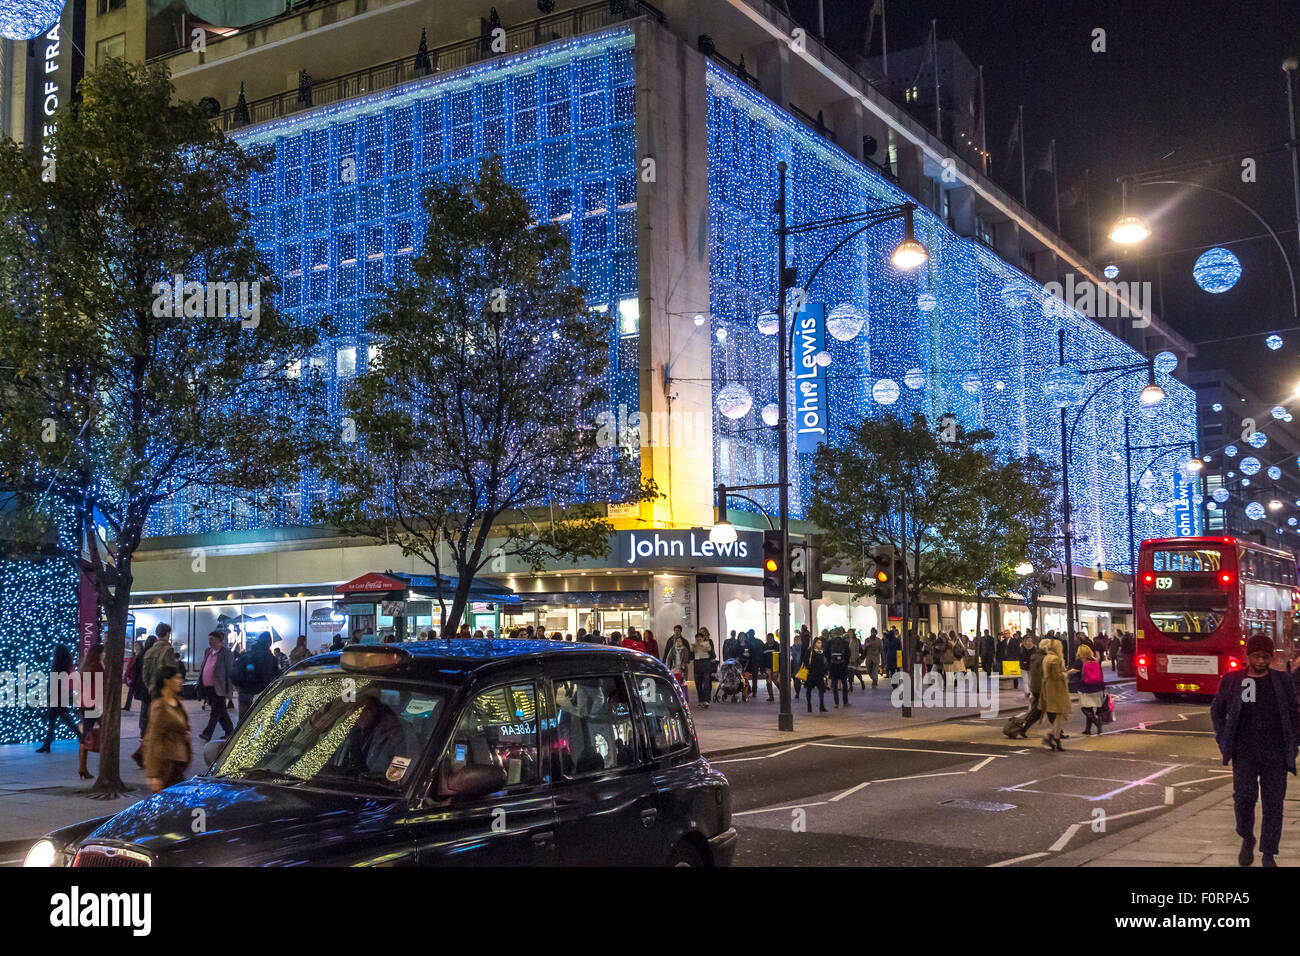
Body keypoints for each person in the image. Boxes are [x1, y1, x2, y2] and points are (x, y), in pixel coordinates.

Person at [1211, 633, 1300, 867]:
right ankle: (1246, 837)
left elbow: (1294, 714)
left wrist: (1295, 742)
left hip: (1275, 753)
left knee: (1273, 803)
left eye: (1265, 657)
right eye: (1256, 656)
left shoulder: (1282, 681)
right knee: (1243, 798)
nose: (1261, 661)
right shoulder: (1232, 680)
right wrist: (1223, 739)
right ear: (1248, 656)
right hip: (1245, 752)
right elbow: (1217, 711)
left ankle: (1269, 853)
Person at [132, 624, 178, 767]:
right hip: (163, 692)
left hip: (151, 691)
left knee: (151, 723)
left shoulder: (150, 651)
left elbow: (145, 674)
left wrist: (150, 687)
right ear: (167, 633)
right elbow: (170, 673)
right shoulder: (168, 649)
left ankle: (145, 754)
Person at [143, 664, 191, 793]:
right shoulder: (159, 706)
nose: (180, 681)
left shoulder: (177, 703)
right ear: (167, 681)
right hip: (166, 765)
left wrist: (185, 735)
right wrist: (154, 774)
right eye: (177, 678)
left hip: (178, 763)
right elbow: (154, 738)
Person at [36, 645, 80, 753]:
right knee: (58, 720)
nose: (52, 652)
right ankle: (47, 744)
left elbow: (56, 684)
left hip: (58, 697)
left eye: (54, 651)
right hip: (63, 697)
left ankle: (83, 737)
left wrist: (51, 698)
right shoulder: (67, 664)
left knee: (61, 720)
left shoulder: (58, 666)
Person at [232, 631, 278, 725]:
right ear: (269, 642)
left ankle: (238, 737)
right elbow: (272, 675)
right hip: (258, 692)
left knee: (243, 719)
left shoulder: (249, 653)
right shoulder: (268, 656)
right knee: (257, 720)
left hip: (244, 690)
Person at [197, 631, 235, 743]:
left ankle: (207, 733)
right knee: (221, 711)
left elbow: (229, 671)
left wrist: (229, 690)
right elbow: (204, 666)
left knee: (215, 711)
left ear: (219, 640)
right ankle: (230, 732)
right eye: (209, 639)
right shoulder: (208, 651)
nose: (210, 642)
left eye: (212, 639)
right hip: (208, 687)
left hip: (219, 688)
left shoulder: (226, 653)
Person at [76, 643, 104, 780]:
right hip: (92, 704)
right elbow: (103, 684)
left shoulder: (85, 666)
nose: (104, 655)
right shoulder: (97, 666)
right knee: (104, 730)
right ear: (99, 654)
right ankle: (84, 767)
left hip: (84, 702)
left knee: (87, 732)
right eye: (103, 653)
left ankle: (82, 767)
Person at [1039, 638, 1070, 750]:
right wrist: (1065, 675)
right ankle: (1052, 736)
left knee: (1058, 715)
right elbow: (1056, 676)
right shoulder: (1055, 659)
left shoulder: (1046, 658)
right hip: (1057, 689)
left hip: (1049, 688)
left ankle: (1054, 737)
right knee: (1060, 714)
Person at [1070, 644, 1106, 735]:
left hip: (1085, 687)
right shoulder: (1094, 660)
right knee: (1090, 708)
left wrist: (1066, 672)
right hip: (1097, 687)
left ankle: (1097, 722)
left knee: (1085, 708)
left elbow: (1072, 671)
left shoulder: (1080, 661)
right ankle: (1088, 729)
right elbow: (1100, 674)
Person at [826, 628, 851, 708]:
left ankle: (836, 703)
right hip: (842, 665)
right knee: (844, 683)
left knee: (835, 684)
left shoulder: (830, 642)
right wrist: (845, 663)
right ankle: (845, 702)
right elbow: (848, 654)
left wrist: (830, 663)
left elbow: (826, 654)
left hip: (833, 666)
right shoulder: (845, 643)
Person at [692, 629, 716, 707]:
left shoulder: (708, 643)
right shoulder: (694, 645)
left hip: (706, 666)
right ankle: (701, 701)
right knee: (698, 685)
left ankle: (706, 700)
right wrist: (691, 651)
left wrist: (709, 650)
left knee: (706, 684)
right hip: (697, 667)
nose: (699, 639)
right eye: (697, 638)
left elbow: (713, 656)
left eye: (700, 637)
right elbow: (690, 657)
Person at [804, 636, 829, 713]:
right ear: (814, 643)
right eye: (818, 643)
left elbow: (825, 662)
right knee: (809, 690)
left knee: (821, 690)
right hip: (811, 674)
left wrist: (825, 671)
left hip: (820, 674)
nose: (820, 644)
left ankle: (822, 705)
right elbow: (805, 661)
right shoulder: (810, 651)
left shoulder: (822, 652)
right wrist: (809, 668)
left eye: (820, 643)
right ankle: (809, 705)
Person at [762, 632, 779, 701]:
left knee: (775, 680)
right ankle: (771, 696)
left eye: (770, 638)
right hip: (767, 666)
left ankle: (783, 693)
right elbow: (762, 657)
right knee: (768, 681)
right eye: (768, 638)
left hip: (775, 666)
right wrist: (763, 668)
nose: (769, 639)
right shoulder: (764, 647)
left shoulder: (777, 646)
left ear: (773, 638)